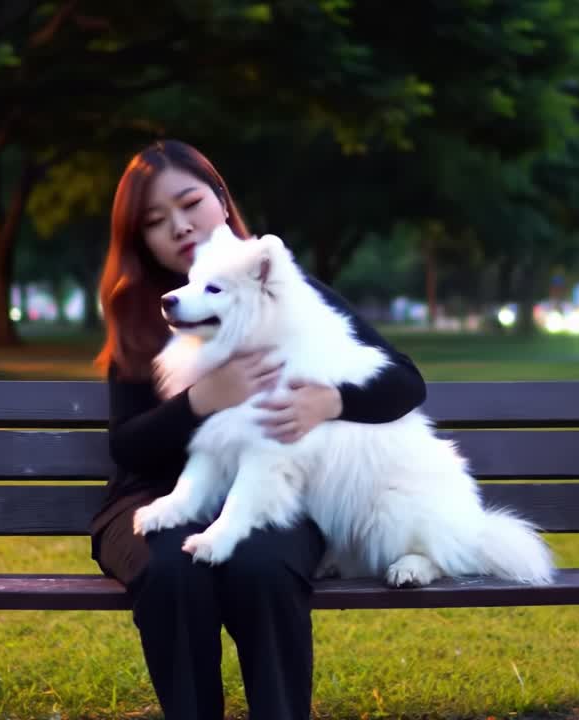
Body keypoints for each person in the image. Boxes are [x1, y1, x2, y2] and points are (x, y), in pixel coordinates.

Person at [89, 139, 427, 720]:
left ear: (220, 200)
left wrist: (331, 401)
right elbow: (127, 446)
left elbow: (405, 382)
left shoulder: (285, 293)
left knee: (261, 567)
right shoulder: (140, 310)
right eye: (154, 222)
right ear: (139, 238)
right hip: (151, 498)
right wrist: (201, 400)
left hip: (273, 495)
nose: (179, 226)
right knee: (174, 571)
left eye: (190, 203)